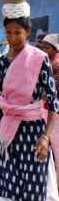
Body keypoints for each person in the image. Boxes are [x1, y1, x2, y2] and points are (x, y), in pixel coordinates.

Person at [0, 5, 59, 201]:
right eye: (8, 32)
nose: (13, 37)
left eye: (18, 32)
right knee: (6, 200)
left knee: (34, 198)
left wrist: (45, 137)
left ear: (28, 33)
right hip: (9, 134)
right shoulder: (1, 63)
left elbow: (53, 102)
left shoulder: (39, 59)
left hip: (33, 133)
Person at [36, 33, 59, 188]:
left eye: (47, 47)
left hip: (53, 116)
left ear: (55, 49)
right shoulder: (48, 63)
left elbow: (50, 92)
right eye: (42, 46)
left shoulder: (55, 66)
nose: (43, 49)